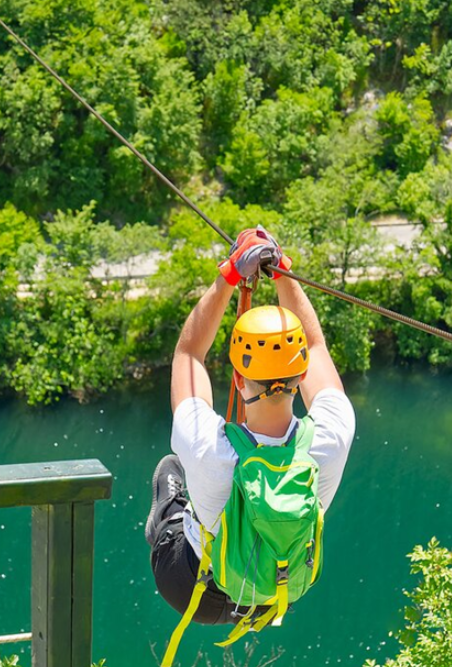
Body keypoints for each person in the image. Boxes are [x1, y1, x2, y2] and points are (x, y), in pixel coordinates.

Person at [145, 226, 356, 625]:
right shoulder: (333, 435)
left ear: (239, 379)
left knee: (171, 467)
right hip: (278, 594)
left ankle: (169, 515)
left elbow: (189, 354)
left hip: (193, 589)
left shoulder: (209, 446)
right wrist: (283, 271)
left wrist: (229, 275)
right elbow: (315, 346)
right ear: (302, 376)